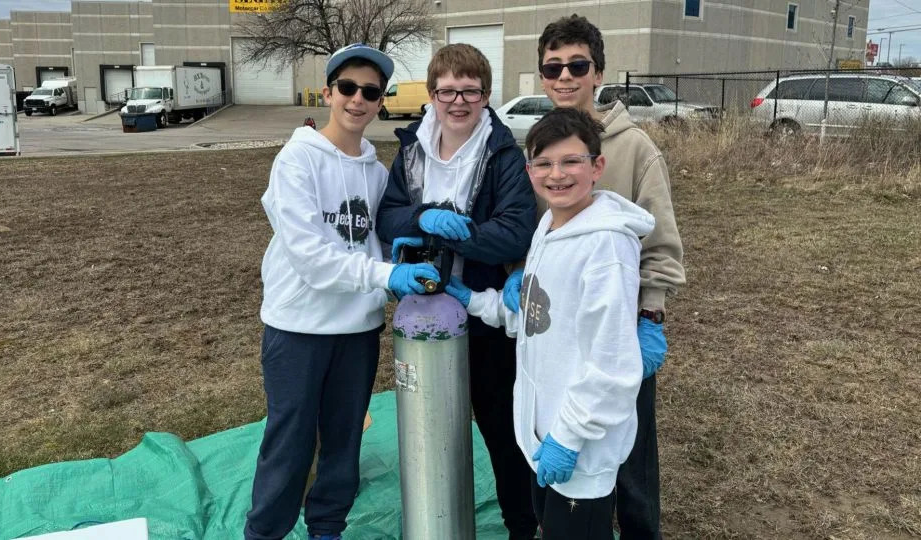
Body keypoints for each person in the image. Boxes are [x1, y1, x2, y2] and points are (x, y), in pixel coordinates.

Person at [245, 43, 441, 540]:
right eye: (348, 88)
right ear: (329, 93)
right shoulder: (297, 161)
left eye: (370, 92)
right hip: (299, 327)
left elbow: (378, 238)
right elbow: (311, 258)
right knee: (289, 443)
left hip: (357, 328)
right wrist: (383, 277)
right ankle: (265, 533)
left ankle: (326, 529)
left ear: (380, 101)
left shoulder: (378, 173)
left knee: (343, 439)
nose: (358, 99)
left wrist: (402, 252)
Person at [445, 106, 654, 540]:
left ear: (597, 166)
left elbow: (612, 366)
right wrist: (473, 300)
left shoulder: (606, 248)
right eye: (544, 163)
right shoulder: (549, 227)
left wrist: (570, 437)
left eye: (571, 161)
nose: (556, 174)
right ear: (529, 170)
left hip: (579, 450)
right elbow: (534, 317)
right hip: (543, 437)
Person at [524, 15, 687, 539]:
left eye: (578, 65)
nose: (565, 76)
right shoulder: (541, 148)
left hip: (620, 329)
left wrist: (650, 314)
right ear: (542, 76)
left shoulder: (634, 147)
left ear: (598, 73)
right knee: (564, 435)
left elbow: (659, 242)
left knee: (630, 455)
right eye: (554, 67)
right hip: (561, 326)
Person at [375, 43, 539, 539]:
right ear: (431, 94)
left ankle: (521, 527)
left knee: (503, 433)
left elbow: (516, 231)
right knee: (430, 430)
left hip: (486, 316)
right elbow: (387, 216)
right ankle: (435, 521)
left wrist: (450, 231)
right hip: (423, 315)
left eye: (470, 90)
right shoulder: (412, 148)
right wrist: (422, 215)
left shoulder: (503, 154)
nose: (458, 101)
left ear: (486, 95)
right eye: (447, 90)